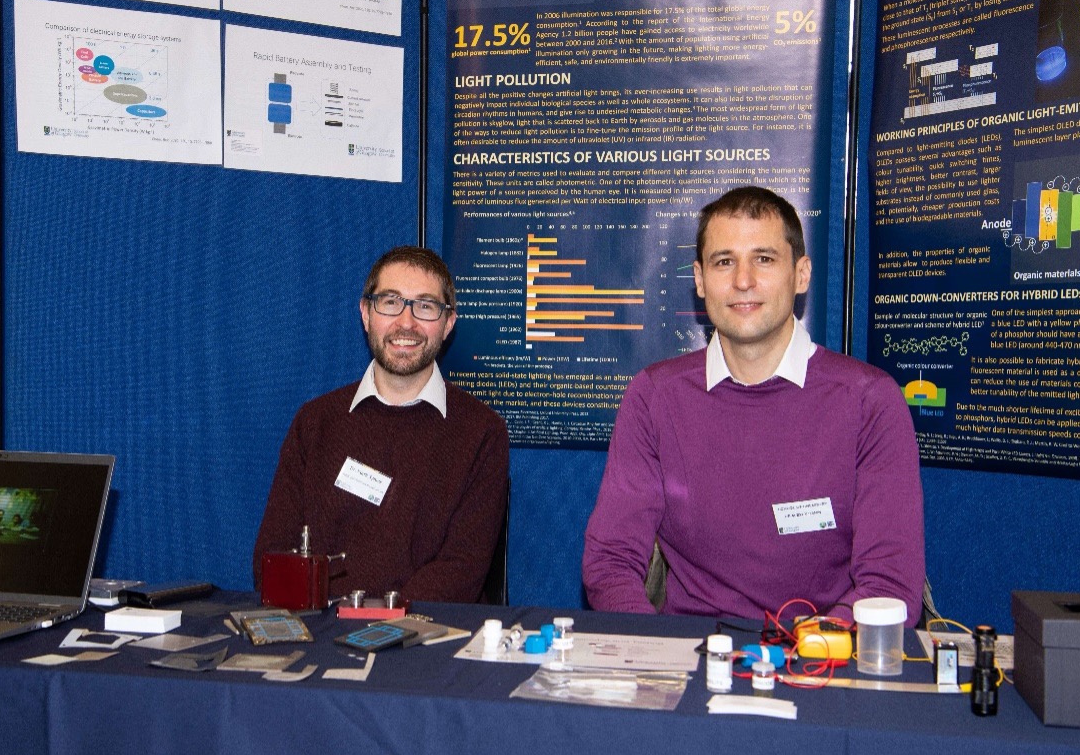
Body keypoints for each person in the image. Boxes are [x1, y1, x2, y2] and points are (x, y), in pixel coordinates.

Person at [582, 186, 924, 623]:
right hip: (691, 657)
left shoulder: (870, 402)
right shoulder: (654, 397)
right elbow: (609, 562)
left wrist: (807, 652)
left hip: (819, 662)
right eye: (724, 262)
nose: (743, 280)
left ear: (801, 275)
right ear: (701, 280)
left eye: (764, 259)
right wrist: (658, 653)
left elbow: (890, 585)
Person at [253, 246, 510, 603]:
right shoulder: (315, 423)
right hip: (322, 632)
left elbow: (461, 569)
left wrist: (381, 625)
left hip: (422, 643)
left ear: (448, 323)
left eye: (425, 306)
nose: (406, 323)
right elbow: (274, 556)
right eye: (390, 302)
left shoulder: (482, 433)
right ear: (365, 314)